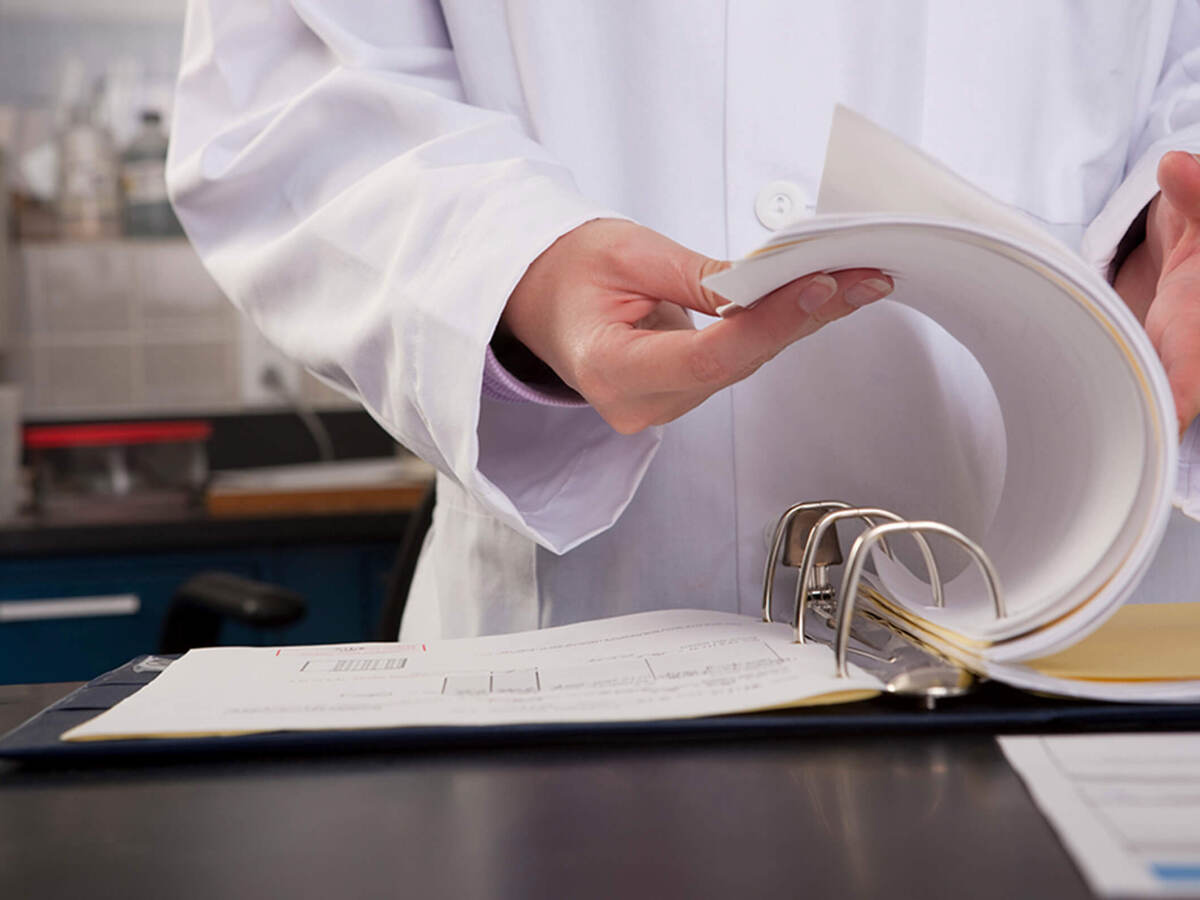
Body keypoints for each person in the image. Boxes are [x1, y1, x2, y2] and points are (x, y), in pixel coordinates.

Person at [169, 2, 1200, 639]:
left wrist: (1169, 232)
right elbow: (282, 101)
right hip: (601, 632)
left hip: (1102, 618)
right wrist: (519, 269)